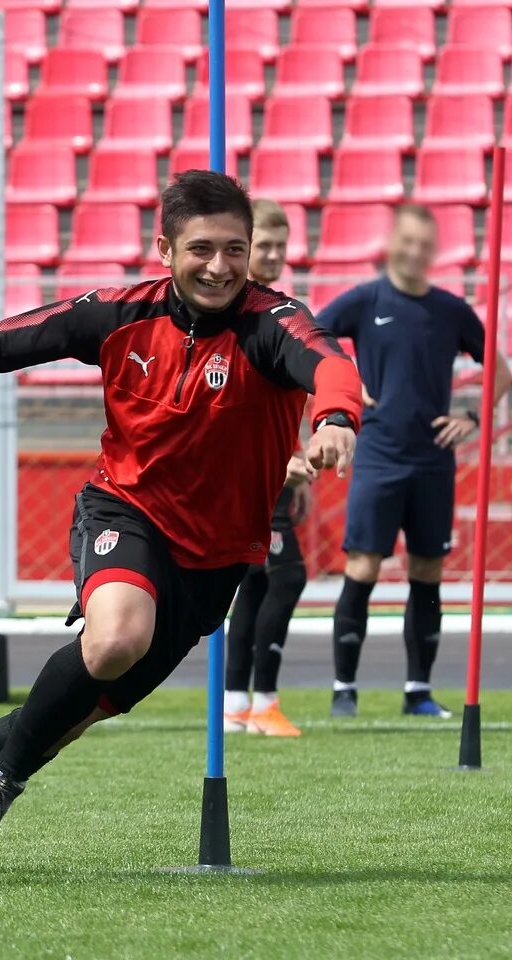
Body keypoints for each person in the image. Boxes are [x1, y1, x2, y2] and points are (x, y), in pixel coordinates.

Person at [0, 171, 363, 874]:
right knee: (115, 640)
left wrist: (337, 419)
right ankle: (3, 784)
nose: (220, 267)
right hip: (125, 510)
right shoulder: (119, 313)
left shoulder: (272, 323)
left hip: (217, 559)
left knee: (60, 717)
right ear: (164, 247)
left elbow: (332, 369)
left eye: (235, 249)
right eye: (201, 249)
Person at [318, 203, 512, 719]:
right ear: (391, 242)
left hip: (433, 462)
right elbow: (309, 339)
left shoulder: (450, 309)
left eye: (424, 244)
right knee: (362, 568)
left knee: (427, 572)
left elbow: (502, 371)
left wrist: (472, 414)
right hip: (378, 456)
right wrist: (347, 382)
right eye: (406, 241)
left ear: (433, 251)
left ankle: (417, 691)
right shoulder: (365, 300)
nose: (414, 252)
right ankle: (343, 690)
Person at [223, 198, 311, 738]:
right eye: (265, 246)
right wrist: (283, 460)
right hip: (252, 475)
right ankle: (265, 702)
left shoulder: (279, 309)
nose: (275, 254)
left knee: (255, 586)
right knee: (288, 576)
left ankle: (237, 704)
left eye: (282, 246)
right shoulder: (245, 316)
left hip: (270, 471)